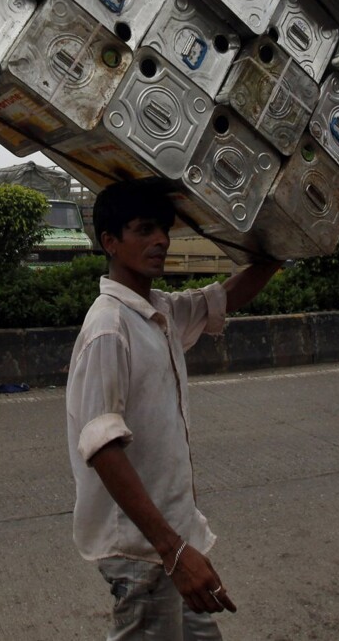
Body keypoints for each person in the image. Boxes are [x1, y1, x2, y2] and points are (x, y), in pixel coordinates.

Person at [65, 178, 282, 640]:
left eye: (163, 230)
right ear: (110, 242)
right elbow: (102, 448)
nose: (160, 240)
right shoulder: (109, 326)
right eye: (144, 230)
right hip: (145, 551)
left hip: (175, 541)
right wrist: (172, 552)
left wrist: (279, 246)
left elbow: (223, 298)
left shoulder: (158, 311)